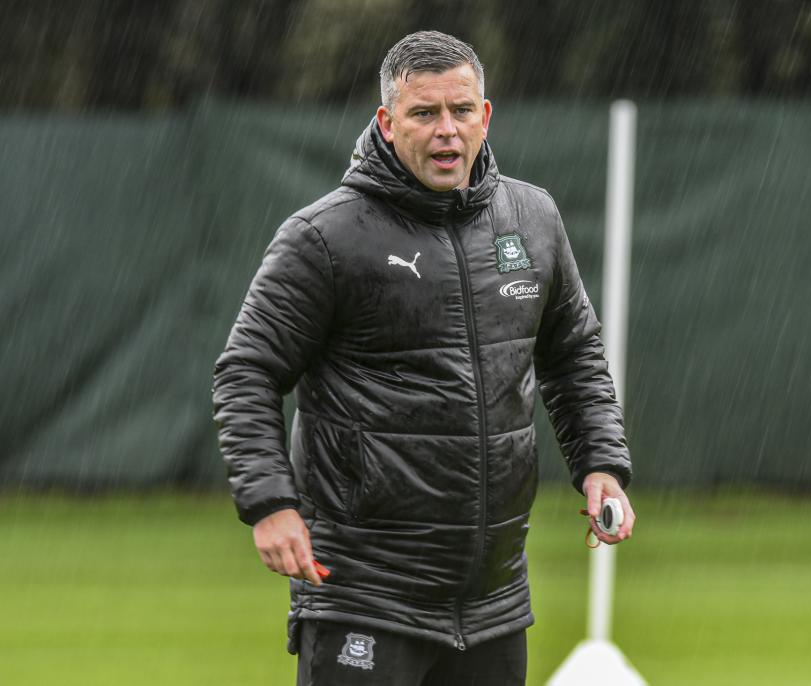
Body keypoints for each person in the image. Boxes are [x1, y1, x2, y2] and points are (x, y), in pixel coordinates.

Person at [212, 30, 634, 685]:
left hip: (494, 600)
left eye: (461, 110)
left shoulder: (533, 218)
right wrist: (270, 503)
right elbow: (247, 371)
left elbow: (573, 354)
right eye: (424, 113)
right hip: (364, 594)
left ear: (484, 115)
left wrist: (601, 463)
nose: (447, 130)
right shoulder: (324, 237)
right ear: (387, 122)